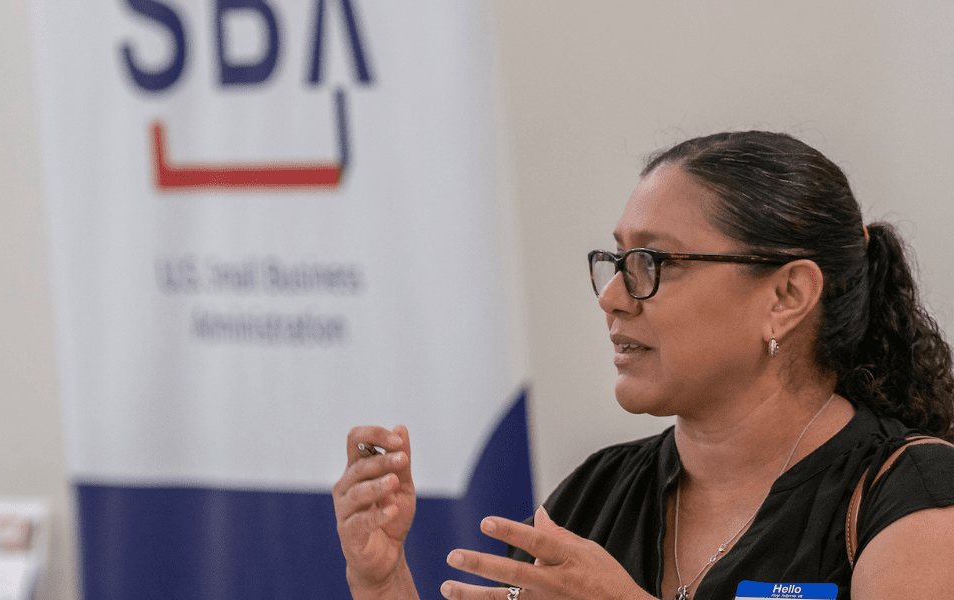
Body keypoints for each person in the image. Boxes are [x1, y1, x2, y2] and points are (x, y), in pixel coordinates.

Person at [334, 131, 954, 600]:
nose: (613, 295)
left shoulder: (910, 494)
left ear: (787, 296)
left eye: (656, 262)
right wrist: (382, 579)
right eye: (619, 259)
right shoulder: (597, 491)